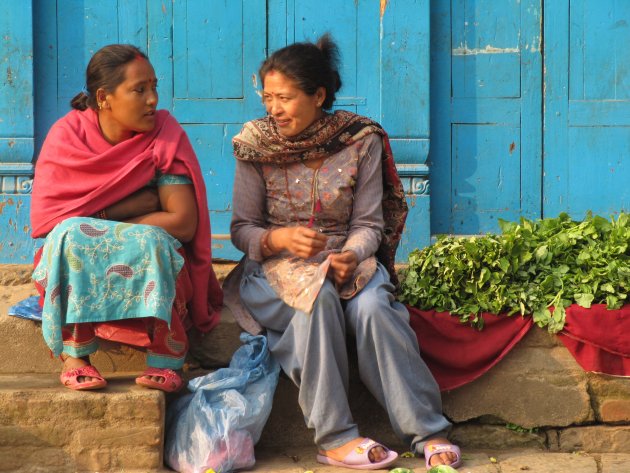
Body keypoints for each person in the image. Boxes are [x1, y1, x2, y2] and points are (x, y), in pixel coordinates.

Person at [228, 35, 462, 470]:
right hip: (273, 272)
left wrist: (351, 256)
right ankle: (335, 437)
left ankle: (427, 431)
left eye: (285, 98)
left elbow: (369, 224)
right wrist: (278, 240)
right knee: (317, 300)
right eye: (268, 97)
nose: (273, 109)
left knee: (374, 305)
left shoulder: (360, 140)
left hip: (347, 264)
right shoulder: (254, 145)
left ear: (319, 96)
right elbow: (242, 230)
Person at [30, 44, 223, 393]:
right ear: (104, 98)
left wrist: (102, 224)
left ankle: (166, 356)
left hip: (151, 261)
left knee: (149, 239)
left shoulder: (164, 134)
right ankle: (76, 355)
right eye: (139, 90)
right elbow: (55, 221)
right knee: (70, 237)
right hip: (81, 256)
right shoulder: (66, 137)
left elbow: (181, 222)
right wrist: (124, 209)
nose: (152, 99)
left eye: (154, 87)